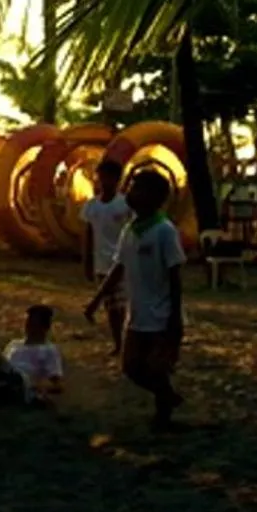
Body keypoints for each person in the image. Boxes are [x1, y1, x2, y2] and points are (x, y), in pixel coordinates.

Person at [86, 168, 186, 429]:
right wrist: (96, 301)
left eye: (137, 188)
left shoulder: (165, 231)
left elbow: (175, 276)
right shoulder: (129, 230)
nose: (130, 193)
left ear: (155, 196)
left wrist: (175, 317)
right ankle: (168, 396)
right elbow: (118, 269)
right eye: (131, 187)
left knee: (156, 368)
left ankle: (163, 416)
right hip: (137, 314)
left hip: (162, 316)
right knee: (130, 367)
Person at [79, 157, 131, 355]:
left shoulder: (125, 205)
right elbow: (88, 235)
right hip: (102, 261)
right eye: (101, 178)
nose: (104, 182)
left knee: (121, 304)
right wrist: (87, 261)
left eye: (109, 178)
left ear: (117, 179)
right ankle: (118, 341)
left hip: (123, 261)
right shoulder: (91, 206)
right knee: (111, 306)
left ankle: (123, 342)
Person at [5, 304, 66, 402]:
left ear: (44, 328)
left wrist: (36, 385)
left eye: (33, 324)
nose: (28, 328)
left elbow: (58, 384)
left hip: (22, 385)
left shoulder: (48, 350)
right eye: (27, 323)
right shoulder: (14, 344)